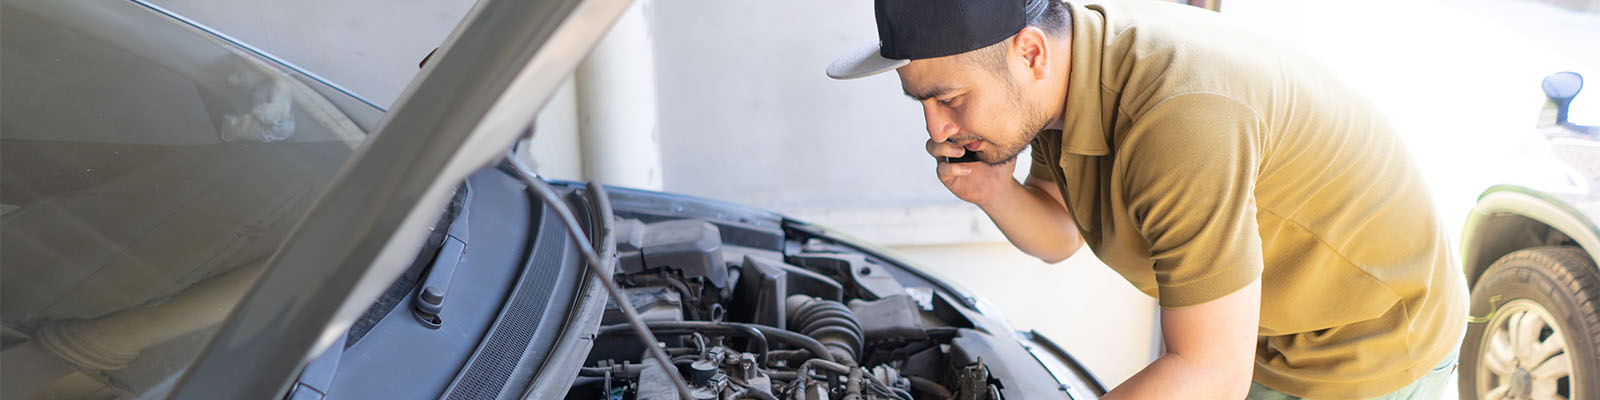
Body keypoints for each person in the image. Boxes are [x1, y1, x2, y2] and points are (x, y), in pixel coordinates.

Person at [825, 0, 1468, 398]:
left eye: (952, 99)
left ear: (1029, 52)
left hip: (1369, 341)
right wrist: (994, 188)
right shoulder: (1061, 77)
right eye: (923, 102)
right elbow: (1058, 234)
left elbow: (1211, 376)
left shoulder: (1179, 117)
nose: (935, 130)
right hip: (1257, 336)